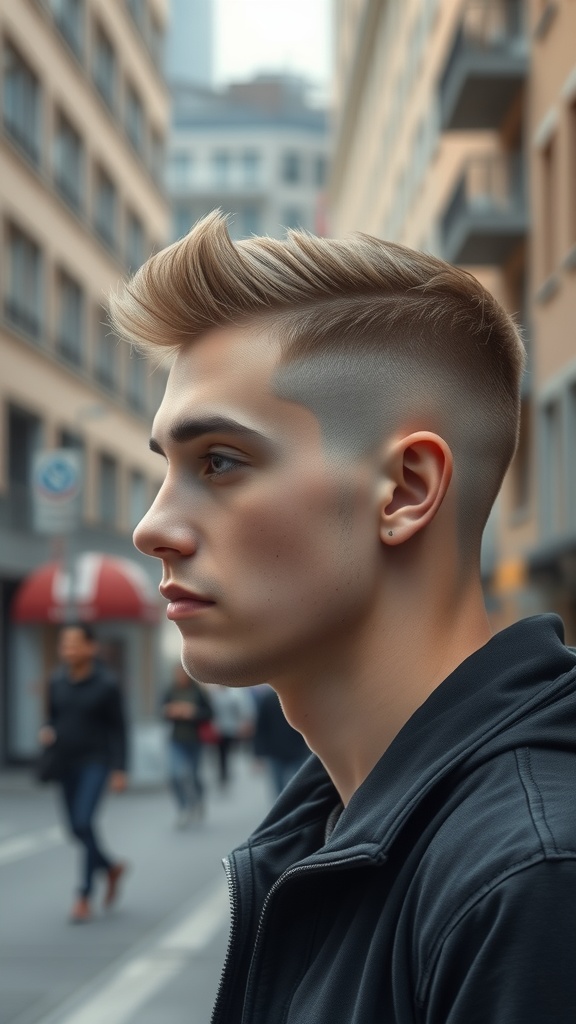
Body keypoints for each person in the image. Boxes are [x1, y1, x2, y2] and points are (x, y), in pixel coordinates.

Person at [109, 212, 576, 1022]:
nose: (152, 528)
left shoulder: (530, 881)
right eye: (168, 468)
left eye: (219, 461)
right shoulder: (335, 824)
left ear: (404, 491)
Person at [39, 622, 128, 924]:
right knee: (75, 830)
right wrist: (47, 731)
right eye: (65, 644)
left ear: (91, 647)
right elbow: (51, 717)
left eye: (76, 644)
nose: (69, 650)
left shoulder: (106, 684)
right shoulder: (56, 681)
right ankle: (111, 866)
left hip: (96, 761)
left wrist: (120, 769)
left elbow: (119, 729)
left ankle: (83, 895)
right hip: (64, 762)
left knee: (84, 821)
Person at [163, 663, 213, 825]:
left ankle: (198, 801)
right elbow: (162, 710)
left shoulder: (198, 692)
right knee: (175, 775)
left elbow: (210, 713)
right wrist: (172, 711)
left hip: (195, 740)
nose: (180, 677)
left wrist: (193, 712)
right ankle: (183, 807)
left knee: (194, 774)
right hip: (176, 739)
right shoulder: (170, 690)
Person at [253, 685, 309, 797]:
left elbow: (261, 727)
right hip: (295, 748)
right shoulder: (298, 698)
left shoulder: (267, 698)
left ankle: (283, 810)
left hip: (278, 749)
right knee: (299, 784)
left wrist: (258, 754)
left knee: (279, 786)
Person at [208, 684, 255, 788]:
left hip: (233, 728)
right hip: (219, 729)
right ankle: (223, 774)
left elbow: (242, 709)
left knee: (230, 751)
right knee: (221, 753)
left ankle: (228, 771)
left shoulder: (234, 694)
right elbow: (211, 711)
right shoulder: (214, 695)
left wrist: (242, 724)